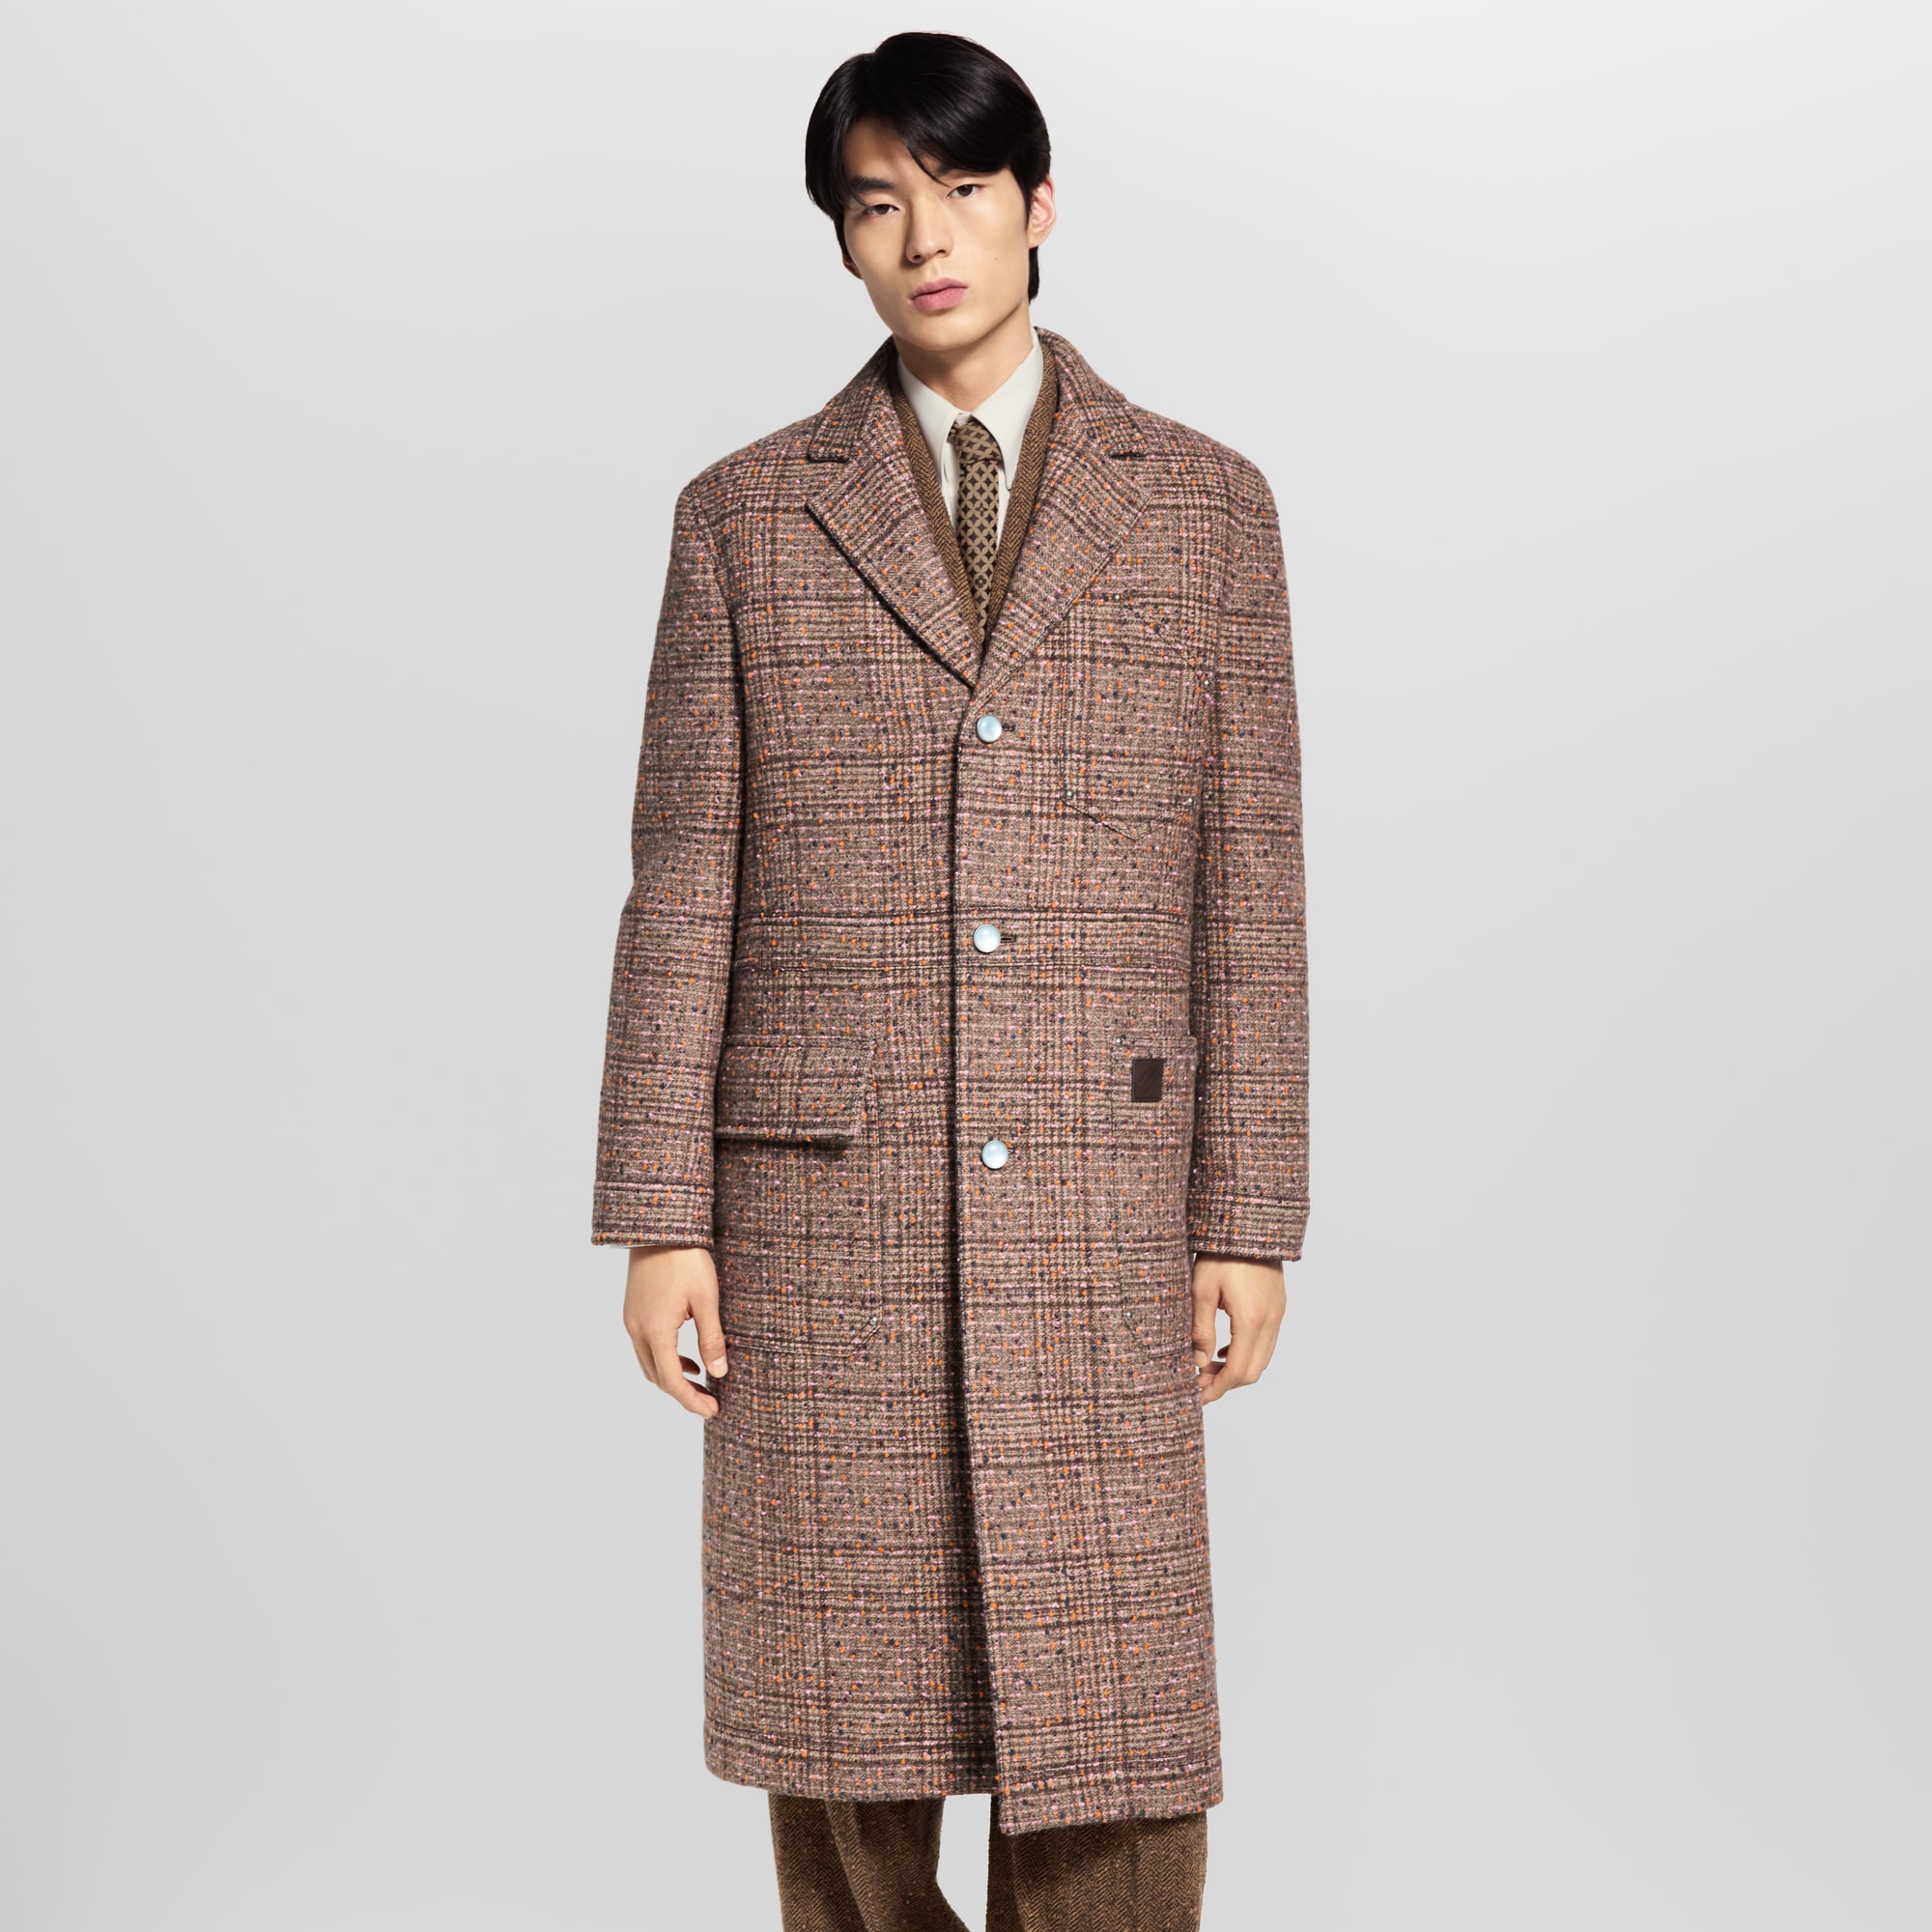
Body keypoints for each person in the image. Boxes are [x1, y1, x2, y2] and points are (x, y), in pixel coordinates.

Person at [592, 30, 1309, 1931]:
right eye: (876, 205)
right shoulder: (744, 517)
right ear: (840, 240)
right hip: (820, 1218)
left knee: (1111, 1731)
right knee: (847, 1730)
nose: (925, 239)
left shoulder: (1207, 509)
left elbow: (1251, 890)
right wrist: (660, 1215)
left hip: (1104, 1197)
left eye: (964, 191)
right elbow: (683, 884)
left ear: (1039, 204)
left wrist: (1247, 1214)